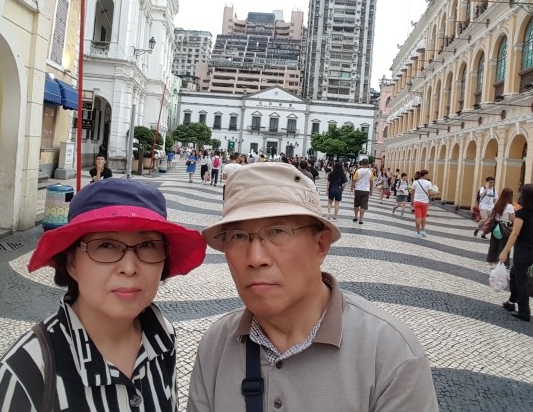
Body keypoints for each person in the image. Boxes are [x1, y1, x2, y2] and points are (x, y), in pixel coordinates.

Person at [188, 163, 438, 411]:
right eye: (238, 236)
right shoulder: (216, 345)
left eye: (277, 231)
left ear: (320, 245)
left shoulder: (389, 354)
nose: (255, 258)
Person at [0, 178, 206, 411]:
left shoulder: (162, 337)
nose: (129, 267)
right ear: (72, 263)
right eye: (106, 245)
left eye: (147, 245)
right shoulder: (23, 372)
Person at [499, 184, 533, 321]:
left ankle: (524, 311)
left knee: (521, 280)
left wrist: (504, 252)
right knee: (514, 274)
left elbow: (515, 234)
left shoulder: (522, 213)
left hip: (523, 250)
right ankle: (511, 301)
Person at [486, 188, 516, 267]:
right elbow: (512, 219)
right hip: (504, 227)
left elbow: (490, 214)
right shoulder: (510, 206)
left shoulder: (497, 204)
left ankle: (490, 261)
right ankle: (503, 263)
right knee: (504, 245)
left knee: (493, 244)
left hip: (496, 226)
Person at [410, 170, 439, 238]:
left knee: (417, 217)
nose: (428, 176)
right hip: (425, 202)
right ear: (425, 175)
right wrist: (437, 193)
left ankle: (418, 233)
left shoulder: (415, 182)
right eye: (428, 175)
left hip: (417, 202)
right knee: (423, 217)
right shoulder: (428, 183)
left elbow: (412, 192)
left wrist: (412, 200)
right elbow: (431, 193)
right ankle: (423, 231)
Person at [350, 158, 374, 225]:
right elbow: (371, 182)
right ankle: (361, 219)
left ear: (361, 163)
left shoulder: (358, 171)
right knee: (363, 206)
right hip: (366, 190)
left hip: (358, 189)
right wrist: (371, 191)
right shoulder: (370, 172)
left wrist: (351, 189)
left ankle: (355, 217)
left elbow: (354, 180)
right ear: (368, 164)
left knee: (356, 204)